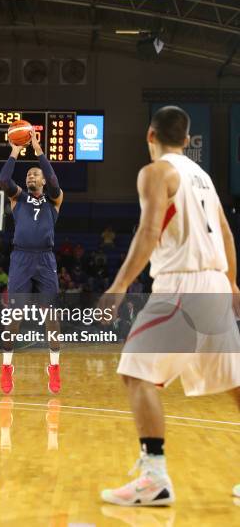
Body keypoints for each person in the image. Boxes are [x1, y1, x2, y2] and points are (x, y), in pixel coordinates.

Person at [98, 105, 240, 505]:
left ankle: (154, 477)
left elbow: (149, 228)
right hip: (214, 283)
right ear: (186, 138)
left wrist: (120, 284)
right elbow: (226, 232)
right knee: (235, 385)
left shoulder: (156, 172)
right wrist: (230, 283)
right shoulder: (204, 178)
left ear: (150, 136)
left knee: (135, 371)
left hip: (183, 287)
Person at [0, 128, 63, 394]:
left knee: (52, 317)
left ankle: (54, 367)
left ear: (43, 181)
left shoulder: (55, 200)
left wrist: (38, 151)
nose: (31, 176)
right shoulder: (18, 198)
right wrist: (14, 150)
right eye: (28, 175)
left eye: (35, 173)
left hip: (45, 259)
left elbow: (54, 179)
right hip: (22, 257)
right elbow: (3, 179)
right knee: (15, 316)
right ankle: (6, 367)